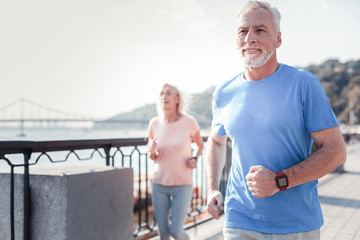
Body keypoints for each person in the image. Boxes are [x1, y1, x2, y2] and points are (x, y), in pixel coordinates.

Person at [206, 1, 346, 239]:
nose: (250, 37)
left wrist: (279, 181)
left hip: (296, 224)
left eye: (260, 30)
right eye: (243, 31)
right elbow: (217, 142)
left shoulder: (304, 84)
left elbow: (335, 152)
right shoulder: (223, 92)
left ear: (278, 39)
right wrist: (211, 189)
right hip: (239, 221)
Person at [147, 83, 204, 240]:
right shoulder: (154, 123)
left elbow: (200, 145)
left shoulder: (189, 122)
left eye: (168, 93)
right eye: (162, 94)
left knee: (175, 232)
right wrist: (151, 151)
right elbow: (152, 155)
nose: (164, 97)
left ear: (177, 98)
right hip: (159, 185)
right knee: (163, 234)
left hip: (182, 185)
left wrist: (195, 159)